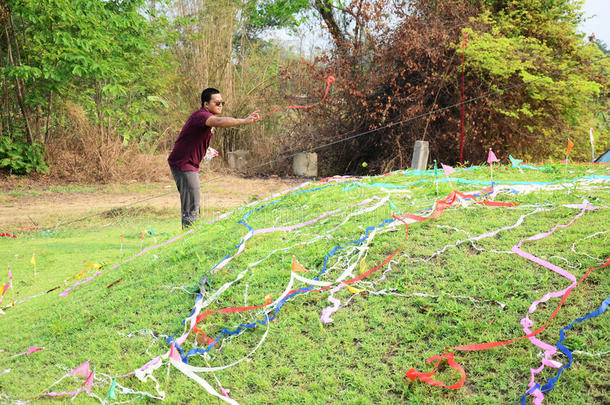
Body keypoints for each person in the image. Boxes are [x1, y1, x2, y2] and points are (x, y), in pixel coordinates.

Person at [168, 88, 260, 229]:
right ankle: (188, 238)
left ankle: (192, 232)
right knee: (192, 203)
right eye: (217, 103)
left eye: (222, 103)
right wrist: (244, 120)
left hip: (187, 163)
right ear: (206, 104)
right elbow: (220, 121)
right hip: (183, 164)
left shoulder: (203, 118)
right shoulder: (202, 116)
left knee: (193, 201)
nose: (220, 105)